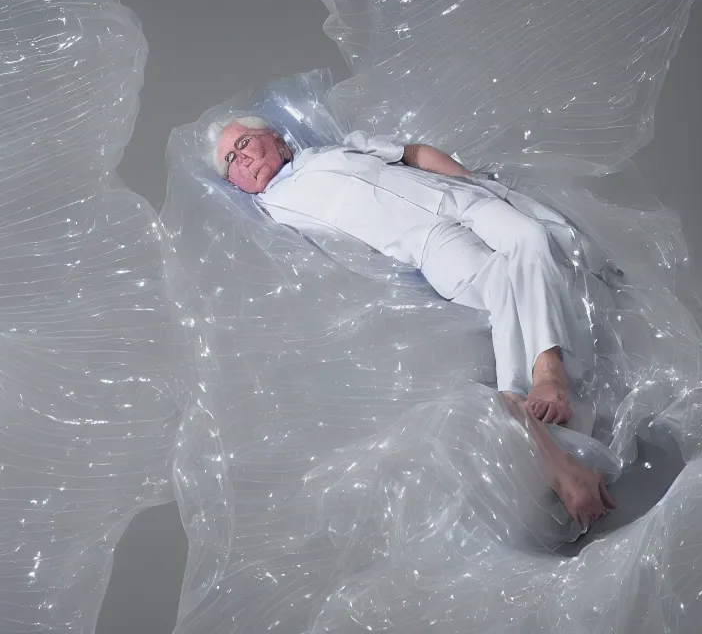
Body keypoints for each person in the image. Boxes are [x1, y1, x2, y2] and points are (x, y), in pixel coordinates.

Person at [207, 115, 617, 528]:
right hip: (428, 243)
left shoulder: (337, 150)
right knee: (500, 286)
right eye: (229, 162)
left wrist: (469, 179)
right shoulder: (272, 213)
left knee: (530, 236)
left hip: (455, 196)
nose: (240, 160)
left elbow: (414, 154)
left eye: (244, 144)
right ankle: (542, 423)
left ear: (276, 140)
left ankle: (546, 385)